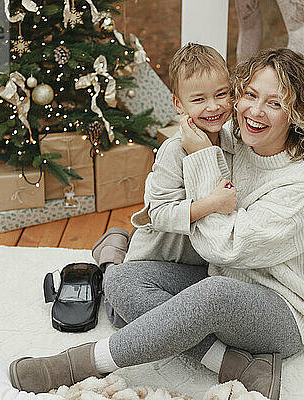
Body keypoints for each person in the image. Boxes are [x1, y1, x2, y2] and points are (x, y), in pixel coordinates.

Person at [9, 48, 304, 400]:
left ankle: (79, 364)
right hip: (221, 277)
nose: (254, 111)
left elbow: (221, 246)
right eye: (250, 95)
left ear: (298, 114)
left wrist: (201, 156)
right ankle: (233, 365)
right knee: (120, 279)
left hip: (281, 313)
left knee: (211, 296)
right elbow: (166, 199)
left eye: (274, 103)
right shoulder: (237, 140)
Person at [91, 42, 235, 328]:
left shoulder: (233, 143)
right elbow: (159, 213)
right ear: (178, 104)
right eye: (199, 100)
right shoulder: (174, 151)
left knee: (204, 307)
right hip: (157, 260)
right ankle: (110, 258)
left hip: (200, 262)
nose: (213, 106)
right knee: (123, 317)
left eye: (222, 94)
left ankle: (119, 242)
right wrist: (212, 204)